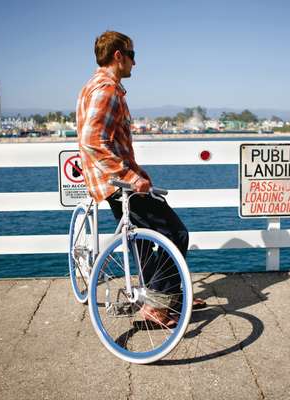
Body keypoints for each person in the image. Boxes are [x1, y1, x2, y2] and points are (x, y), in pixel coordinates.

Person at [76, 31, 204, 327]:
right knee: (176, 234)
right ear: (118, 56)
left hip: (108, 183)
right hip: (118, 184)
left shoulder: (91, 86)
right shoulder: (106, 90)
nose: (136, 62)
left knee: (143, 243)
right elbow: (92, 140)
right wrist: (130, 176)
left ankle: (168, 297)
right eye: (132, 55)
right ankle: (158, 305)